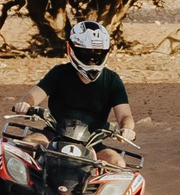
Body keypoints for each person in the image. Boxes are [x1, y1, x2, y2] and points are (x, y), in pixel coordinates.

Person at [13, 20, 136, 165]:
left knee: (117, 163)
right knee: (27, 147)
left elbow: (125, 115)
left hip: (91, 141)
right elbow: (33, 96)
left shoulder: (111, 80)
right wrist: (25, 104)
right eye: (85, 52)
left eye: (98, 53)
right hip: (54, 134)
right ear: (71, 48)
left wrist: (127, 128)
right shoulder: (59, 73)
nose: (92, 58)